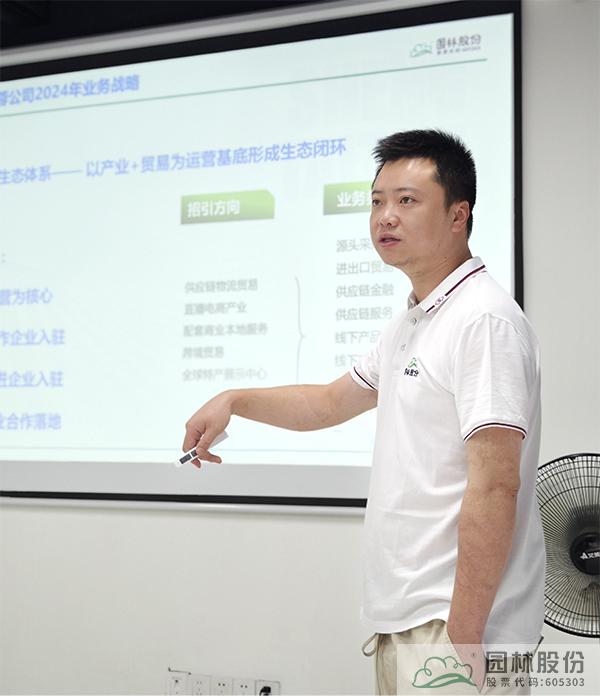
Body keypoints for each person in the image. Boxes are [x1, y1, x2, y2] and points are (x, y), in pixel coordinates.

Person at [183, 130, 545, 696]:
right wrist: (235, 400)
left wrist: (465, 636)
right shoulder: (414, 321)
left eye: (407, 200)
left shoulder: (483, 320)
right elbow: (330, 403)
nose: (385, 216)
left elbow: (497, 485)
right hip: (408, 619)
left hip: (457, 627)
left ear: (459, 215)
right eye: (377, 201)